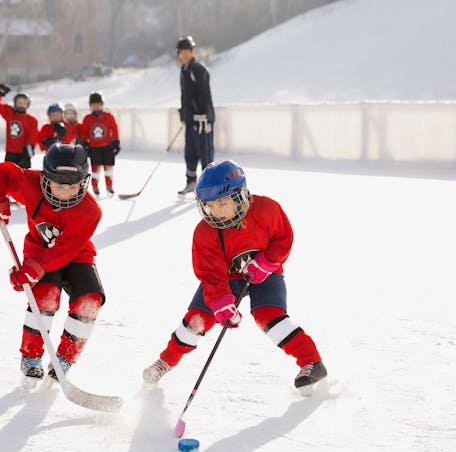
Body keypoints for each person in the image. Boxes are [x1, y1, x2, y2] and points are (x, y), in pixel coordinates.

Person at [142, 160, 327, 394]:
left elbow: (283, 237)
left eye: (222, 203)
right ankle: (164, 362)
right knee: (197, 319)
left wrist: (268, 261)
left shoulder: (267, 210)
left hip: (265, 274)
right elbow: (210, 274)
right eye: (209, 205)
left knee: (268, 316)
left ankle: (311, 361)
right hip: (226, 278)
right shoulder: (205, 232)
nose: (215, 212)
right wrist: (220, 303)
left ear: (240, 197)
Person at [0, 143, 107, 386]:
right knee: (45, 297)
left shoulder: (91, 211)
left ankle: (64, 360)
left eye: (72, 186)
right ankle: (30, 357)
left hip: (76, 255)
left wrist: (33, 269)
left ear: (84, 181)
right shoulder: (31, 183)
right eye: (58, 185)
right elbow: (2, 173)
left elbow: (63, 251)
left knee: (90, 301)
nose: (65, 192)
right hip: (38, 250)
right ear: (46, 179)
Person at [176, 36, 215, 196]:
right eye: (182, 51)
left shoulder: (199, 70)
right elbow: (185, 95)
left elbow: (204, 95)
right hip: (190, 119)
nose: (184, 54)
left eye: (187, 51)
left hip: (202, 120)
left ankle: (209, 187)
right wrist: (184, 112)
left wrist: (203, 116)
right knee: (190, 152)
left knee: (205, 152)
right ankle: (191, 182)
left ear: (192, 51)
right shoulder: (184, 70)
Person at [79, 92, 120, 196]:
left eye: (98, 103)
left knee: (108, 168)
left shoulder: (108, 116)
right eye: (93, 104)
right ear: (90, 105)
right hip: (94, 148)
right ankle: (95, 186)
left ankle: (109, 186)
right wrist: (84, 143)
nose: (96, 106)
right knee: (95, 169)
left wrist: (116, 141)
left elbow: (114, 129)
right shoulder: (87, 118)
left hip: (107, 147)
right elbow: (84, 132)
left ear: (101, 104)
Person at [0, 83, 38, 169]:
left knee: (23, 176)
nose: (21, 105)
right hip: (11, 152)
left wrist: (29, 151)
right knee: (9, 175)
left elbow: (33, 136)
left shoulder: (31, 120)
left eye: (24, 103)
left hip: (24, 152)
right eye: (19, 102)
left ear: (27, 105)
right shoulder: (10, 113)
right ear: (15, 103)